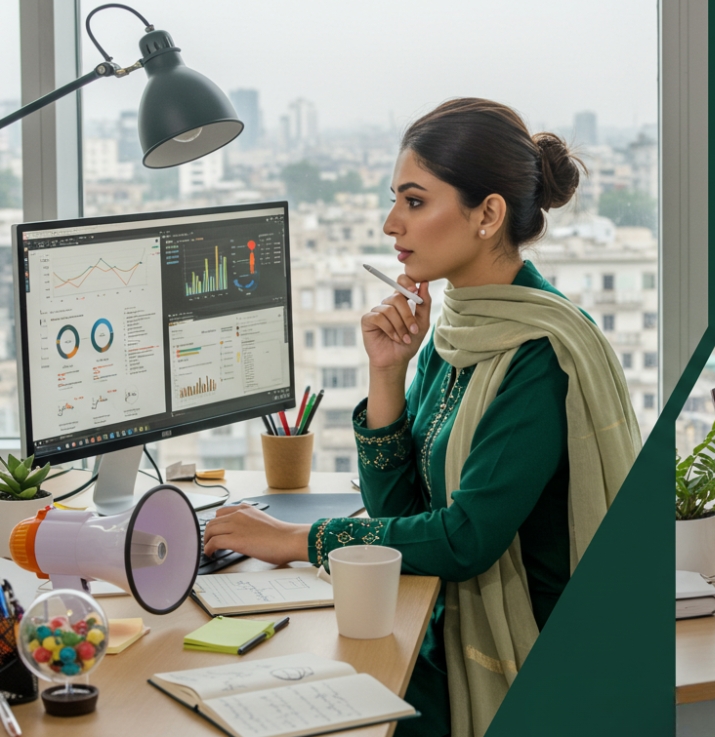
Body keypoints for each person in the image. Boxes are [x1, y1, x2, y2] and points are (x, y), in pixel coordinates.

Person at [201, 98, 642, 737]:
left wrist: (296, 540)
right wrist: (387, 372)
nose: (390, 224)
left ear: (488, 214)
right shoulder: (458, 327)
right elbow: (396, 516)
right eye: (395, 200)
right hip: (444, 622)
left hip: (520, 656)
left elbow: (466, 539)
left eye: (413, 201)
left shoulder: (540, 353)